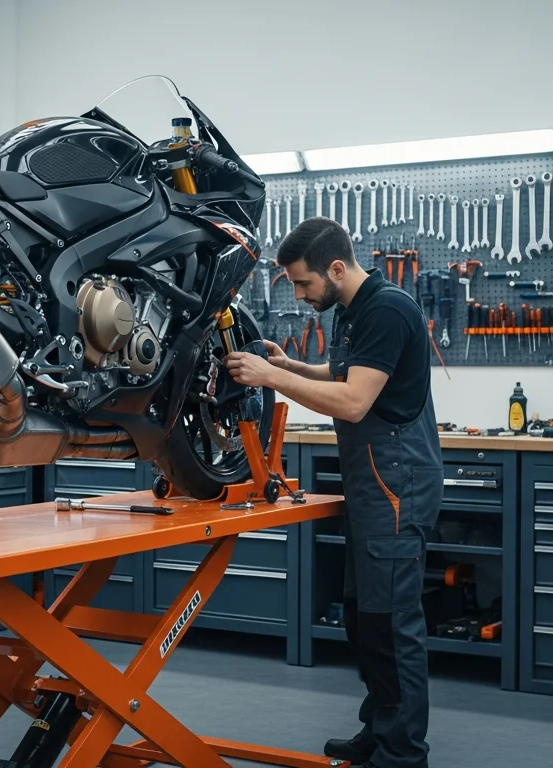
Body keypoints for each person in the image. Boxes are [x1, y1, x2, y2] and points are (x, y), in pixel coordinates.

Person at [224, 216, 443, 768]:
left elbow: (353, 402)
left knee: (393, 625)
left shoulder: (389, 309)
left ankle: (403, 752)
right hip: (372, 484)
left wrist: (271, 379)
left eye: (303, 284)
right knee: (365, 618)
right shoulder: (351, 309)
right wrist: (292, 366)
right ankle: (380, 728)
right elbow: (344, 373)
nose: (299, 296)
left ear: (337, 268)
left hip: (398, 485)